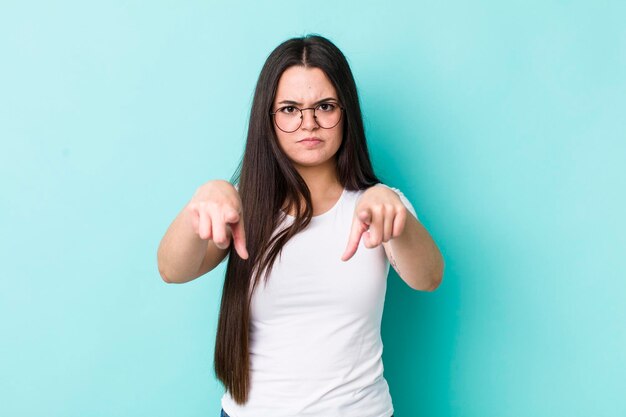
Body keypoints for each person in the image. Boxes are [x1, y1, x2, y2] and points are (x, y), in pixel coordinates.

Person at [157, 34, 444, 417]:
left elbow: (429, 277)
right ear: (269, 119)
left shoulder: (379, 206)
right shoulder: (240, 207)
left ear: (347, 113)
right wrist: (203, 200)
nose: (309, 124)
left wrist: (398, 218)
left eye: (325, 106)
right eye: (290, 109)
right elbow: (172, 270)